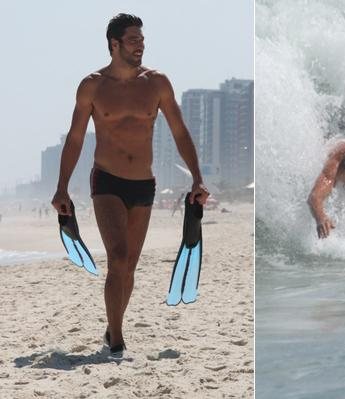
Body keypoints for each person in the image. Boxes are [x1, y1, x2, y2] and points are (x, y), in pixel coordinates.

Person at [50, 14, 209, 358]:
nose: (141, 45)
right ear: (114, 44)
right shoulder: (92, 86)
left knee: (130, 267)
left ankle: (111, 326)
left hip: (144, 184)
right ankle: (118, 341)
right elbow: (76, 139)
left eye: (142, 39)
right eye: (134, 39)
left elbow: (180, 132)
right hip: (106, 180)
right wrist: (61, 188)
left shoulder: (157, 83)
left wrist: (197, 178)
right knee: (118, 257)